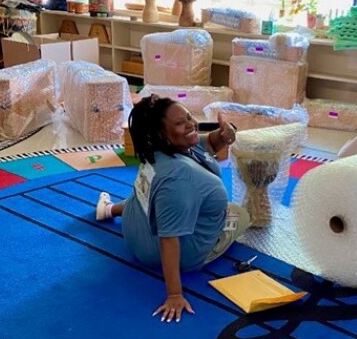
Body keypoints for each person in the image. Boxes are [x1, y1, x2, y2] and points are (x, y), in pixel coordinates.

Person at [96, 95, 250, 323]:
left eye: (189, 117)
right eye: (180, 123)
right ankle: (112, 210)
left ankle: (109, 210)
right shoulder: (179, 181)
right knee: (240, 212)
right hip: (172, 251)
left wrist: (225, 136)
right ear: (161, 135)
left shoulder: (160, 152)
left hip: (135, 227)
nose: (191, 124)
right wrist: (174, 294)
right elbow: (169, 239)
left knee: (146, 199)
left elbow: (207, 144)